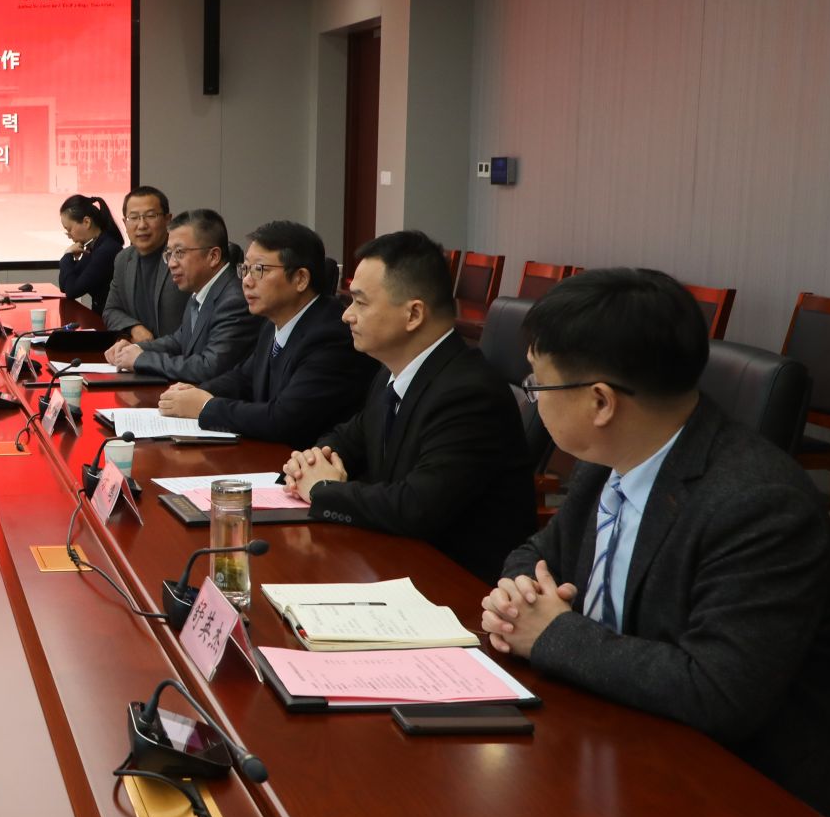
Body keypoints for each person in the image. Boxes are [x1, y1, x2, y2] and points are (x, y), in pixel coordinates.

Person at [480, 268, 830, 817]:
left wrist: (551, 633)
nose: (532, 398)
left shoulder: (760, 505)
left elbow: (716, 690)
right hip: (617, 749)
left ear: (600, 402)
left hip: (754, 811)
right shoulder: (608, 462)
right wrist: (519, 595)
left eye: (538, 385)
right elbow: (536, 552)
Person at [281, 230, 534, 582]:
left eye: (360, 303)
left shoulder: (469, 393)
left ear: (413, 314)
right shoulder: (393, 371)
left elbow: (416, 506)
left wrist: (324, 490)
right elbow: (348, 437)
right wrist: (309, 463)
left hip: (457, 584)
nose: (346, 316)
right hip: (395, 561)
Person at [158, 220, 372, 446]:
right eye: (245, 269)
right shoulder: (272, 323)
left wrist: (205, 406)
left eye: (259, 270)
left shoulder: (331, 336)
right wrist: (195, 392)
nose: (247, 281)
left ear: (300, 279)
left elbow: (284, 420)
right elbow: (244, 378)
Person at [108, 208, 257, 383]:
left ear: (213, 256)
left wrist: (141, 359)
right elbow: (179, 341)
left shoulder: (235, 300)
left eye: (179, 253)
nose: (171, 264)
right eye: (169, 254)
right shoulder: (200, 291)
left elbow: (209, 367)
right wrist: (134, 348)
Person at [100, 186, 186, 342]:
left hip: (180, 353)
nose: (141, 225)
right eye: (133, 217)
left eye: (151, 216)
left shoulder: (185, 255)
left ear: (167, 219)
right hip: (138, 352)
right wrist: (133, 327)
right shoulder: (123, 259)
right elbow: (111, 310)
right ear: (125, 222)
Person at [56, 194, 122, 309]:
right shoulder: (93, 247)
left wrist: (67, 255)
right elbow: (65, 287)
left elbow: (72, 291)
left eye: (69, 229)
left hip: (110, 318)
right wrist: (70, 258)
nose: (69, 235)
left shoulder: (107, 250)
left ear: (86, 222)